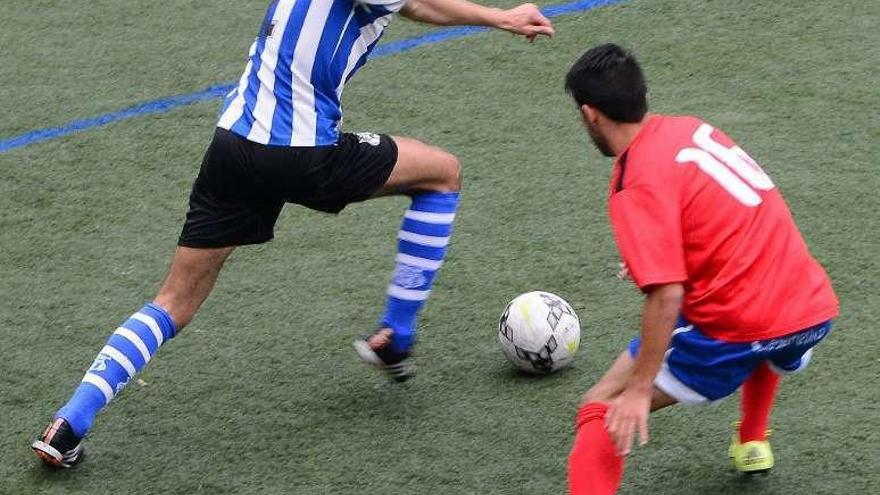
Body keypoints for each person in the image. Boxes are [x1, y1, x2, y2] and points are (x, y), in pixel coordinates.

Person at [31, 0, 554, 468]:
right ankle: (399, 332)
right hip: (303, 152)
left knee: (173, 301)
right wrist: (501, 17)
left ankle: (69, 421)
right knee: (443, 173)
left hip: (233, 144)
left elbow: (408, 6)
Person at [563, 44, 839, 494]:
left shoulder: (635, 181)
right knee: (765, 332)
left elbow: (666, 294)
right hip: (810, 307)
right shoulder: (690, 129)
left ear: (591, 114)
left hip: (738, 330)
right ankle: (752, 440)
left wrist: (638, 388)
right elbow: (723, 219)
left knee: (601, 403)